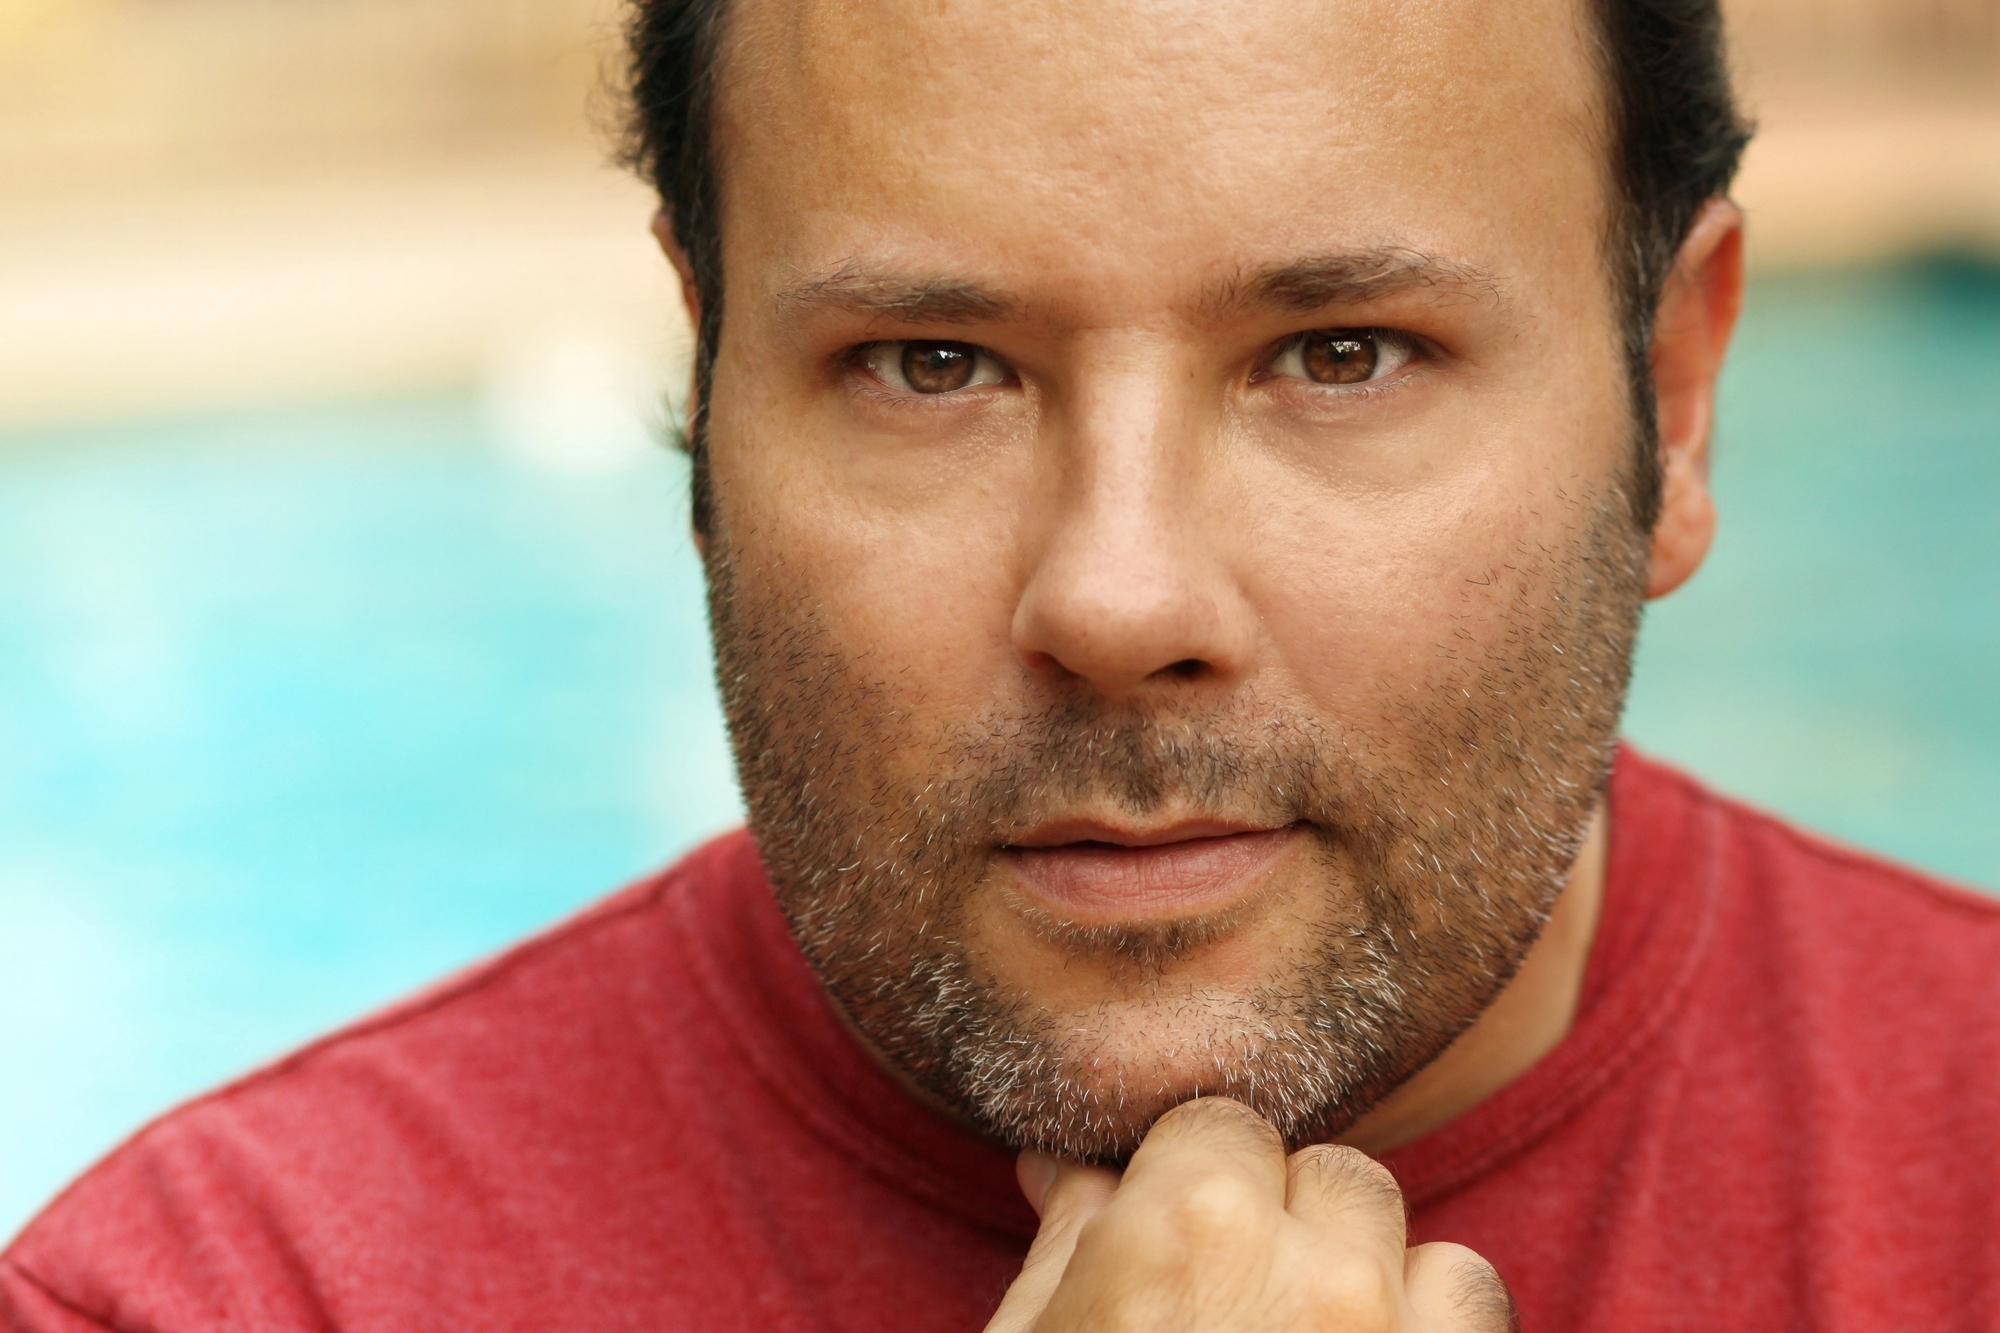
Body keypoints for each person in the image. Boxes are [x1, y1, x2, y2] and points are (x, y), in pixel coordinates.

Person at [7, 0, 2000, 1326]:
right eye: (926, 367)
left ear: (1675, 394)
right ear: (708, 408)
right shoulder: (227, 1299)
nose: (1120, 598)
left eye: (1341, 354)